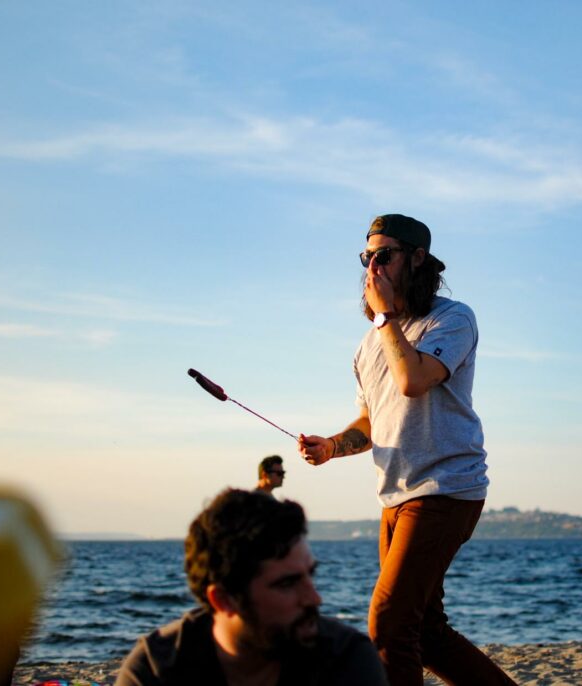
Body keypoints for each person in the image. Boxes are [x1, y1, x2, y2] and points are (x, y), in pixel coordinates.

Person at [298, 214, 516, 685]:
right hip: (395, 496)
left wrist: (384, 317)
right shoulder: (369, 344)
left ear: (417, 259)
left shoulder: (452, 319)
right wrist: (333, 446)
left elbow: (413, 380)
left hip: (446, 488)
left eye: (385, 256)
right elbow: (372, 420)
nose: (372, 267)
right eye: (367, 257)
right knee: (426, 632)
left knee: (389, 624)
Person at [115, 489, 388, 686]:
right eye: (287, 584)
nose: (314, 598)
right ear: (224, 600)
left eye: (310, 575)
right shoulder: (158, 669)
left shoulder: (347, 659)